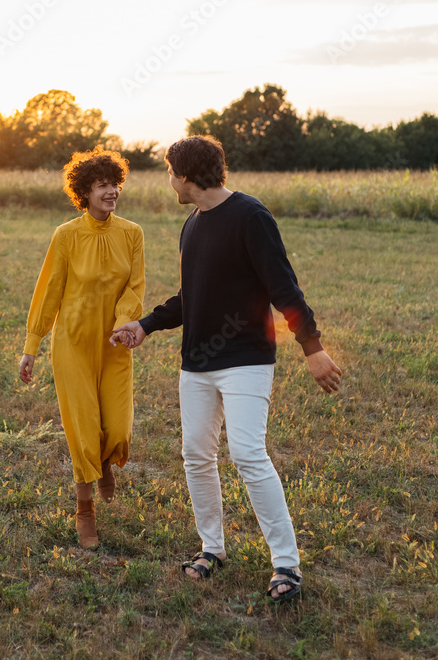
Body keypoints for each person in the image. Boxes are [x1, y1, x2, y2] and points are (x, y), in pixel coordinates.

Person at [111, 136, 342, 602]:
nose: (169, 180)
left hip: (246, 360)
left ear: (186, 176)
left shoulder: (251, 217)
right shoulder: (192, 223)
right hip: (196, 363)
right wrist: (146, 325)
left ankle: (286, 564)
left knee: (248, 455)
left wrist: (312, 348)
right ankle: (211, 549)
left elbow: (283, 288)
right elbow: (190, 296)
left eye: (170, 172)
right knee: (196, 455)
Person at [19, 148, 145, 550]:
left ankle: (106, 462)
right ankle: (84, 509)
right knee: (83, 431)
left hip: (114, 345)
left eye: (115, 184)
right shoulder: (66, 235)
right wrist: (31, 345)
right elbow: (49, 291)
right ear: (84, 192)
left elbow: (135, 287)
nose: (112, 192)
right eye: (102, 185)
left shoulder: (132, 233)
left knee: (119, 428)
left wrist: (124, 323)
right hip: (72, 344)